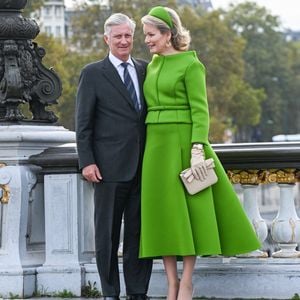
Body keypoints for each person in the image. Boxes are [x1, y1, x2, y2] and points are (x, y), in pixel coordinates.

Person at [139, 6, 261, 300]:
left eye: (151, 34)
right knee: (163, 215)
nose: (146, 40)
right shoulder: (151, 65)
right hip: (155, 146)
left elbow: (200, 111)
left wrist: (196, 148)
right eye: (145, 35)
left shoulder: (192, 65)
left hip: (183, 144)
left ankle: (186, 283)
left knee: (189, 213)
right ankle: (171, 283)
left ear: (168, 34)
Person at [76, 13, 152, 300]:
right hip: (107, 169)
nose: (123, 41)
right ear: (106, 39)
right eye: (117, 36)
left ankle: (137, 292)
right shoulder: (93, 73)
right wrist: (87, 161)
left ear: (133, 38)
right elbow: (83, 123)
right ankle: (110, 293)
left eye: (128, 36)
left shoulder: (146, 70)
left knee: (139, 234)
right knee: (106, 236)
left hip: (144, 166)